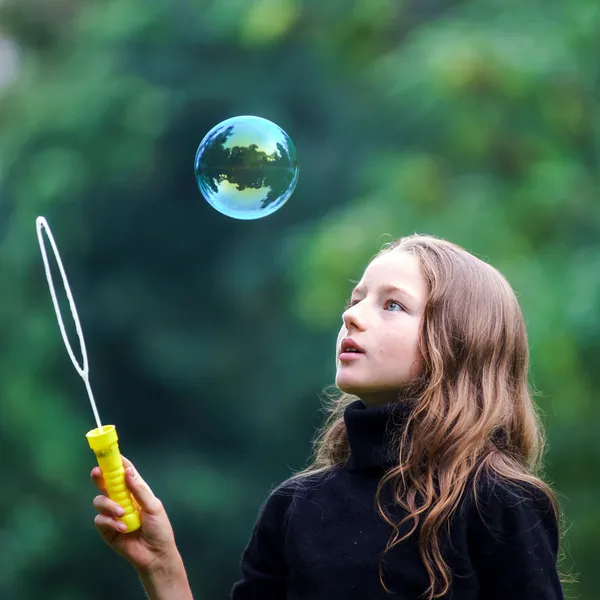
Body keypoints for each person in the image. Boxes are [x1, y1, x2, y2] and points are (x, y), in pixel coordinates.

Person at [91, 233, 566, 599]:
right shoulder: (295, 507)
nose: (353, 316)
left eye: (392, 305)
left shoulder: (502, 504)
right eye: (356, 299)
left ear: (459, 344)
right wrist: (162, 568)